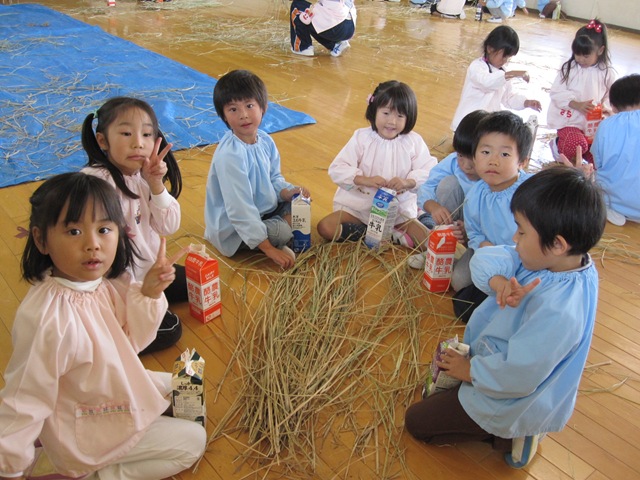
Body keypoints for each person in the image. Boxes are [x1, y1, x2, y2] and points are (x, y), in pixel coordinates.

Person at [0, 172, 206, 480]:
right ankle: (88, 472)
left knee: (179, 384)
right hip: (85, 428)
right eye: (73, 231)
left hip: (97, 390)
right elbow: (25, 398)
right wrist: (10, 467)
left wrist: (149, 292)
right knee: (193, 442)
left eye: (104, 229)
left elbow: (131, 341)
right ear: (41, 239)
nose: (92, 244)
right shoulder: (46, 318)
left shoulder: (101, 284)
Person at [405, 166, 606, 469]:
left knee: (416, 422)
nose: (515, 237)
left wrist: (471, 371)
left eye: (522, 231)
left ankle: (513, 435)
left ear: (557, 244)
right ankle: (499, 418)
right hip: (495, 363)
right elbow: (483, 261)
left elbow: (521, 373)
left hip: (512, 393)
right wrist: (499, 282)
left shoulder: (559, 309)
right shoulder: (555, 260)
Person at [81, 96, 184, 355]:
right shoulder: (96, 185)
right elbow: (99, 264)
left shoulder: (142, 176)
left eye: (147, 134)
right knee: (171, 330)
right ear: (102, 140)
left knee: (193, 282)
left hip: (145, 269)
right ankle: (113, 340)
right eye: (126, 133)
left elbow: (169, 225)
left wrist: (156, 184)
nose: (138, 142)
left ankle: (151, 299)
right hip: (114, 283)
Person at [204, 69, 309, 270]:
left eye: (249, 106)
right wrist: (270, 249)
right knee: (281, 231)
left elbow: (274, 177)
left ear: (263, 107)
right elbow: (239, 209)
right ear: (224, 116)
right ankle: (275, 240)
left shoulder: (266, 140)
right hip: (234, 227)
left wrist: (287, 192)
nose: (243, 115)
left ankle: (280, 232)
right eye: (233, 109)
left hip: (262, 211)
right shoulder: (230, 155)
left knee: (301, 202)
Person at [317, 80, 436, 247]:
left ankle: (398, 227)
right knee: (326, 228)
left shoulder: (413, 141)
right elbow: (337, 169)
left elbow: (430, 171)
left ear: (409, 118)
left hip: (397, 212)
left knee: (428, 241)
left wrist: (407, 182)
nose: (392, 122)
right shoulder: (361, 137)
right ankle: (374, 234)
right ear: (374, 111)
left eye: (400, 116)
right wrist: (365, 179)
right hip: (359, 208)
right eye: (386, 113)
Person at [452, 111, 533, 322]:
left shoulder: (530, 192)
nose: (493, 161)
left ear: (522, 161)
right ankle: (501, 293)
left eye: (505, 154)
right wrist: (481, 245)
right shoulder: (476, 193)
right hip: (489, 258)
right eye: (485, 152)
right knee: (459, 282)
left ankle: (509, 297)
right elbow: (475, 231)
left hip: (525, 262)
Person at [408, 110, 489, 269]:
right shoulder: (453, 162)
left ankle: (464, 253)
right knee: (448, 184)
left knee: (459, 282)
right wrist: (433, 206)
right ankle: (442, 248)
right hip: (458, 225)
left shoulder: (492, 177)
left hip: (481, 237)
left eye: (473, 157)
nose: (465, 165)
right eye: (460, 156)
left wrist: (468, 231)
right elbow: (428, 185)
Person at [547, 19, 616, 165]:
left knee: (600, 160)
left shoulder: (607, 72)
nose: (580, 59)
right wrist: (575, 104)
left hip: (593, 126)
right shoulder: (569, 68)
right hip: (570, 122)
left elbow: (611, 96)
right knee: (576, 145)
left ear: (600, 50)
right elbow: (556, 92)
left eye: (586, 56)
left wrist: (606, 109)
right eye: (577, 54)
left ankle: (579, 154)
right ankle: (558, 145)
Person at [450, 25, 541, 131]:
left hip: (487, 124)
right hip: (468, 125)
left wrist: (526, 102)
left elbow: (508, 98)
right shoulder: (476, 66)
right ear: (490, 48)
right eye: (504, 56)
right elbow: (487, 83)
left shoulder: (503, 72)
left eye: (508, 57)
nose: (505, 60)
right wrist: (513, 74)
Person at [592, 74, 640, 226]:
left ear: (613, 105)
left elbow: (597, 162)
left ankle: (615, 210)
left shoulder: (606, 125)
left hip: (612, 201)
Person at [290, 0, 357, 57]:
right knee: (316, 16)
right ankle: (336, 45)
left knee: (297, 5)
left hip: (336, 26)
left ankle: (302, 48)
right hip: (350, 26)